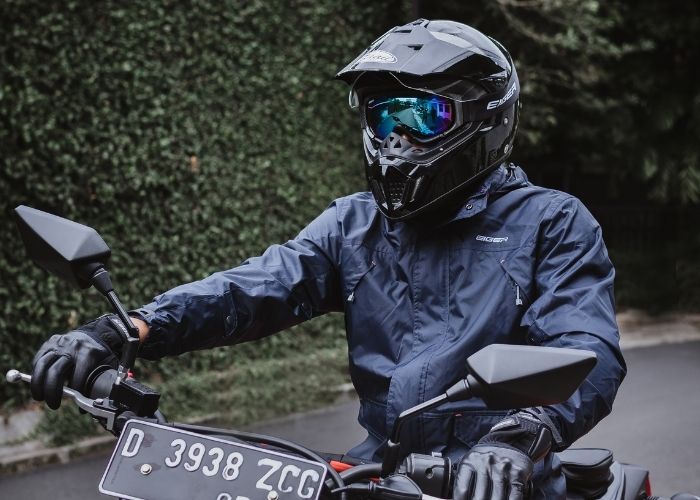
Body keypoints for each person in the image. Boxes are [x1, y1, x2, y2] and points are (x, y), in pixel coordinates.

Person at [29, 19, 626, 500]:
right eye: (383, 117)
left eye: (422, 116)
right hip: (378, 476)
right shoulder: (353, 225)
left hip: (501, 480)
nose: (396, 140)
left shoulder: (551, 222)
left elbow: (586, 348)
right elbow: (258, 286)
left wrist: (521, 436)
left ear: (487, 120)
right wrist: (128, 328)